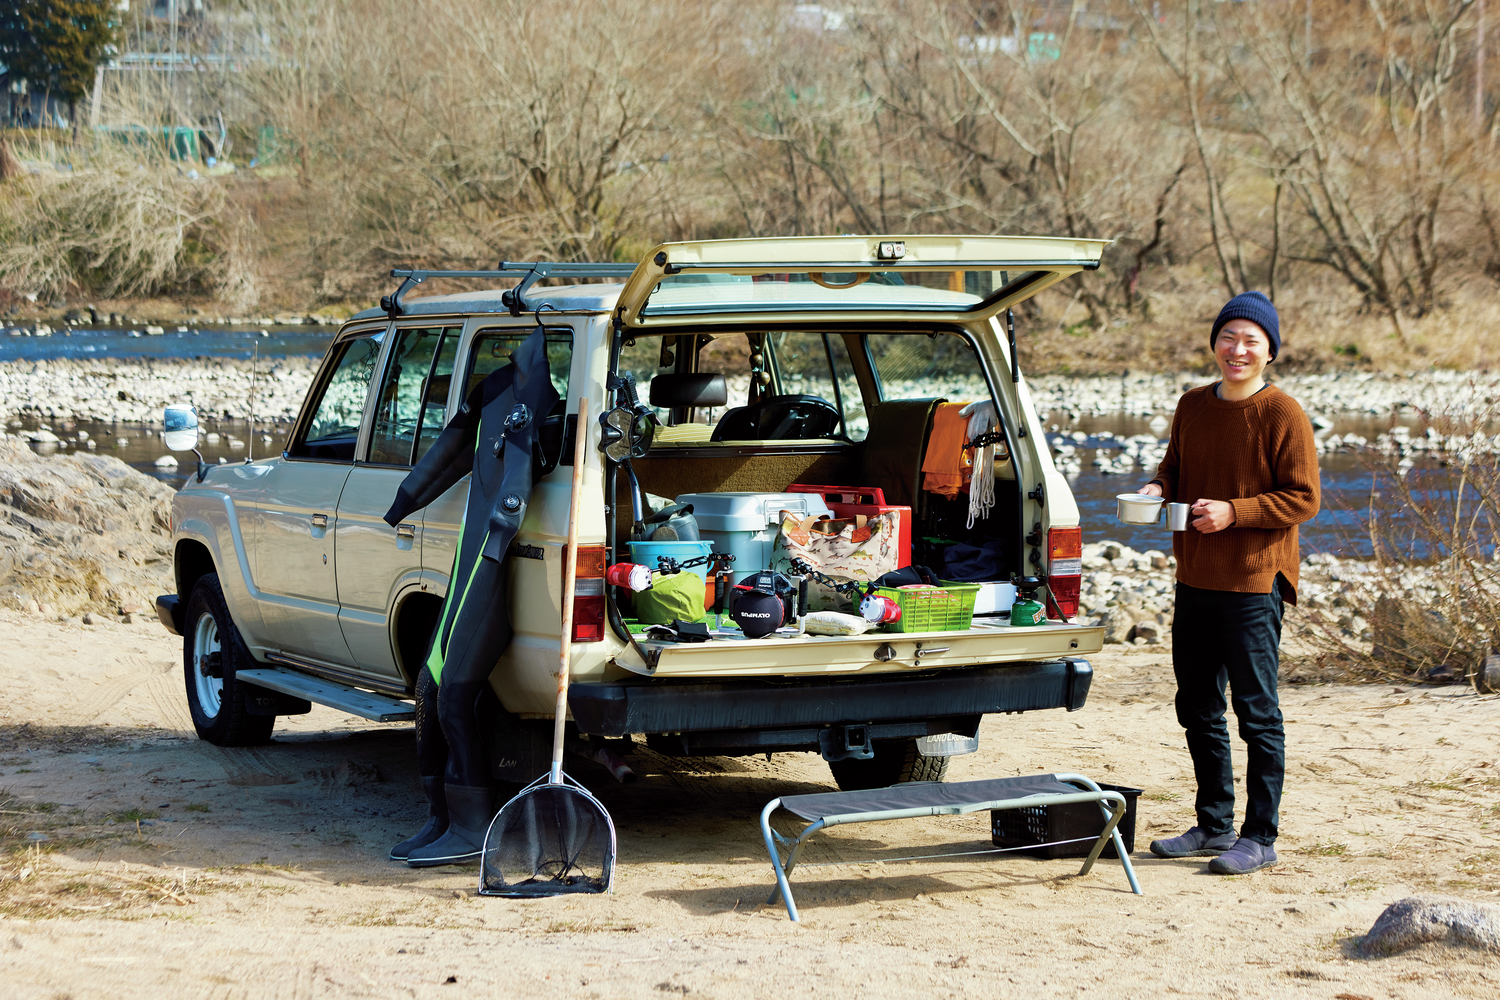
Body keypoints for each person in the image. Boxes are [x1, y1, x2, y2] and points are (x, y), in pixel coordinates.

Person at [1136, 290, 1320, 875]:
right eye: (1229, 337)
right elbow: (1174, 468)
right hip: (1194, 579)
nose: (1237, 350)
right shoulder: (1192, 405)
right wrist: (1156, 491)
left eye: (1251, 342)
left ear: (1269, 353)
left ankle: (1259, 837)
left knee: (1256, 712)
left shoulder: (1282, 413)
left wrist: (1234, 512)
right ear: (1215, 343)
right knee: (1197, 707)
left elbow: (1304, 498)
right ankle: (1214, 825)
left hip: (1252, 582)